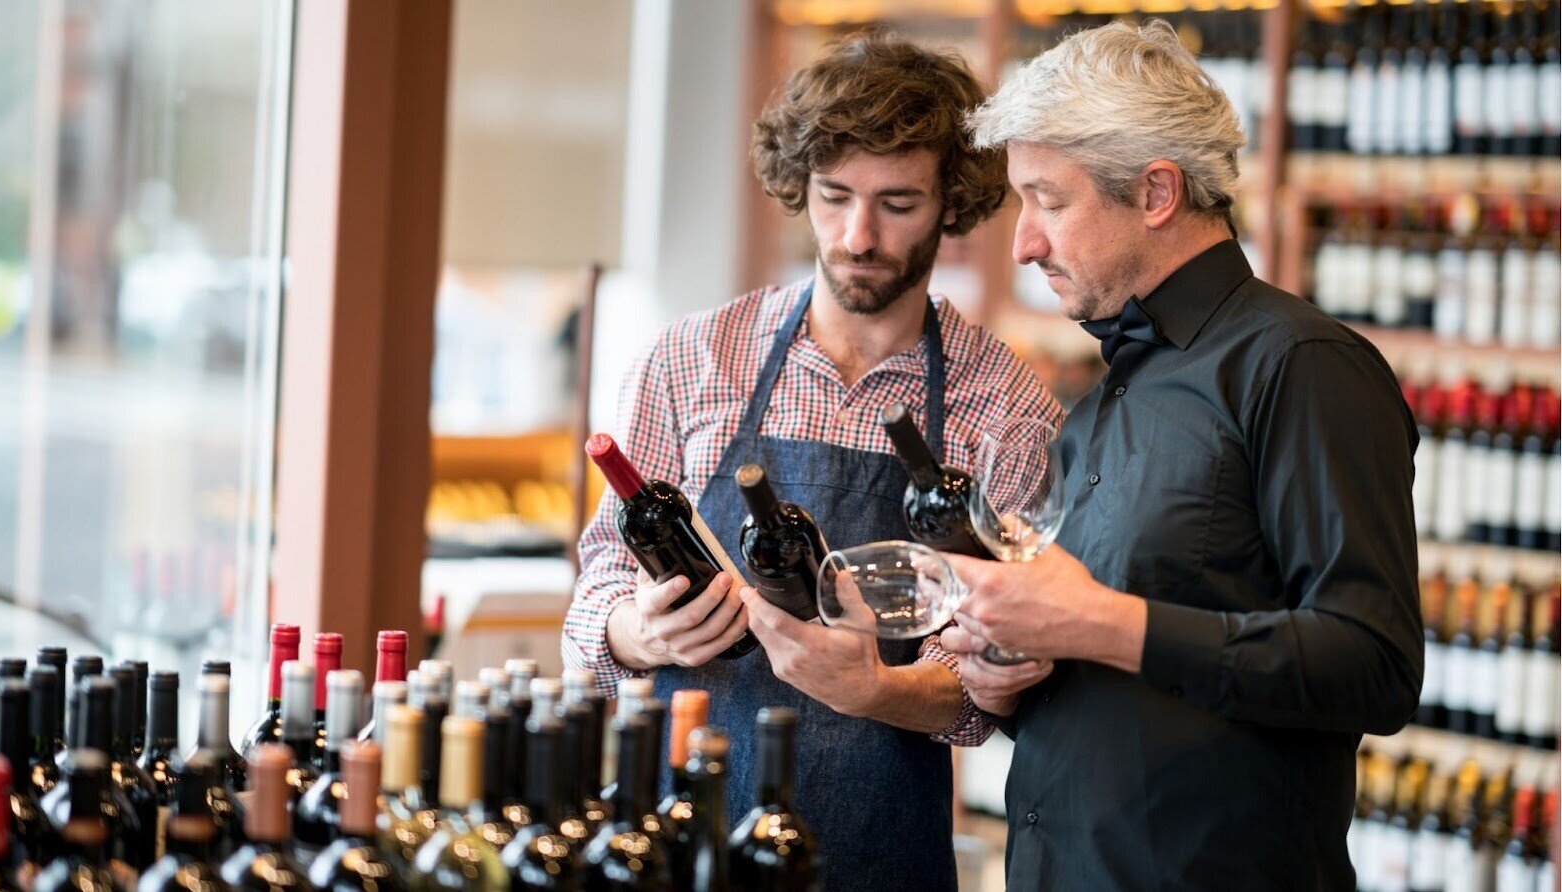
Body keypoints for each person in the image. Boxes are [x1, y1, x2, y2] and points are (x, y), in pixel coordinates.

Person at [562, 32, 1060, 892]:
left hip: (874, 858)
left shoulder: (1009, 408)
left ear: (953, 203)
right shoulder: (692, 360)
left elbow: (994, 681)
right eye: (834, 197)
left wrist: (878, 691)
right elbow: (601, 574)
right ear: (801, 187)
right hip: (677, 848)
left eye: (898, 204)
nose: (858, 236)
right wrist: (634, 629)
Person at [942, 20, 1424, 891]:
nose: (1023, 241)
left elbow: (1376, 665)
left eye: (1049, 199)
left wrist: (1103, 625)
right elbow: (1122, 702)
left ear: (1157, 191)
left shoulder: (1301, 364)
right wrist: (1013, 672)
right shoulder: (1100, 403)